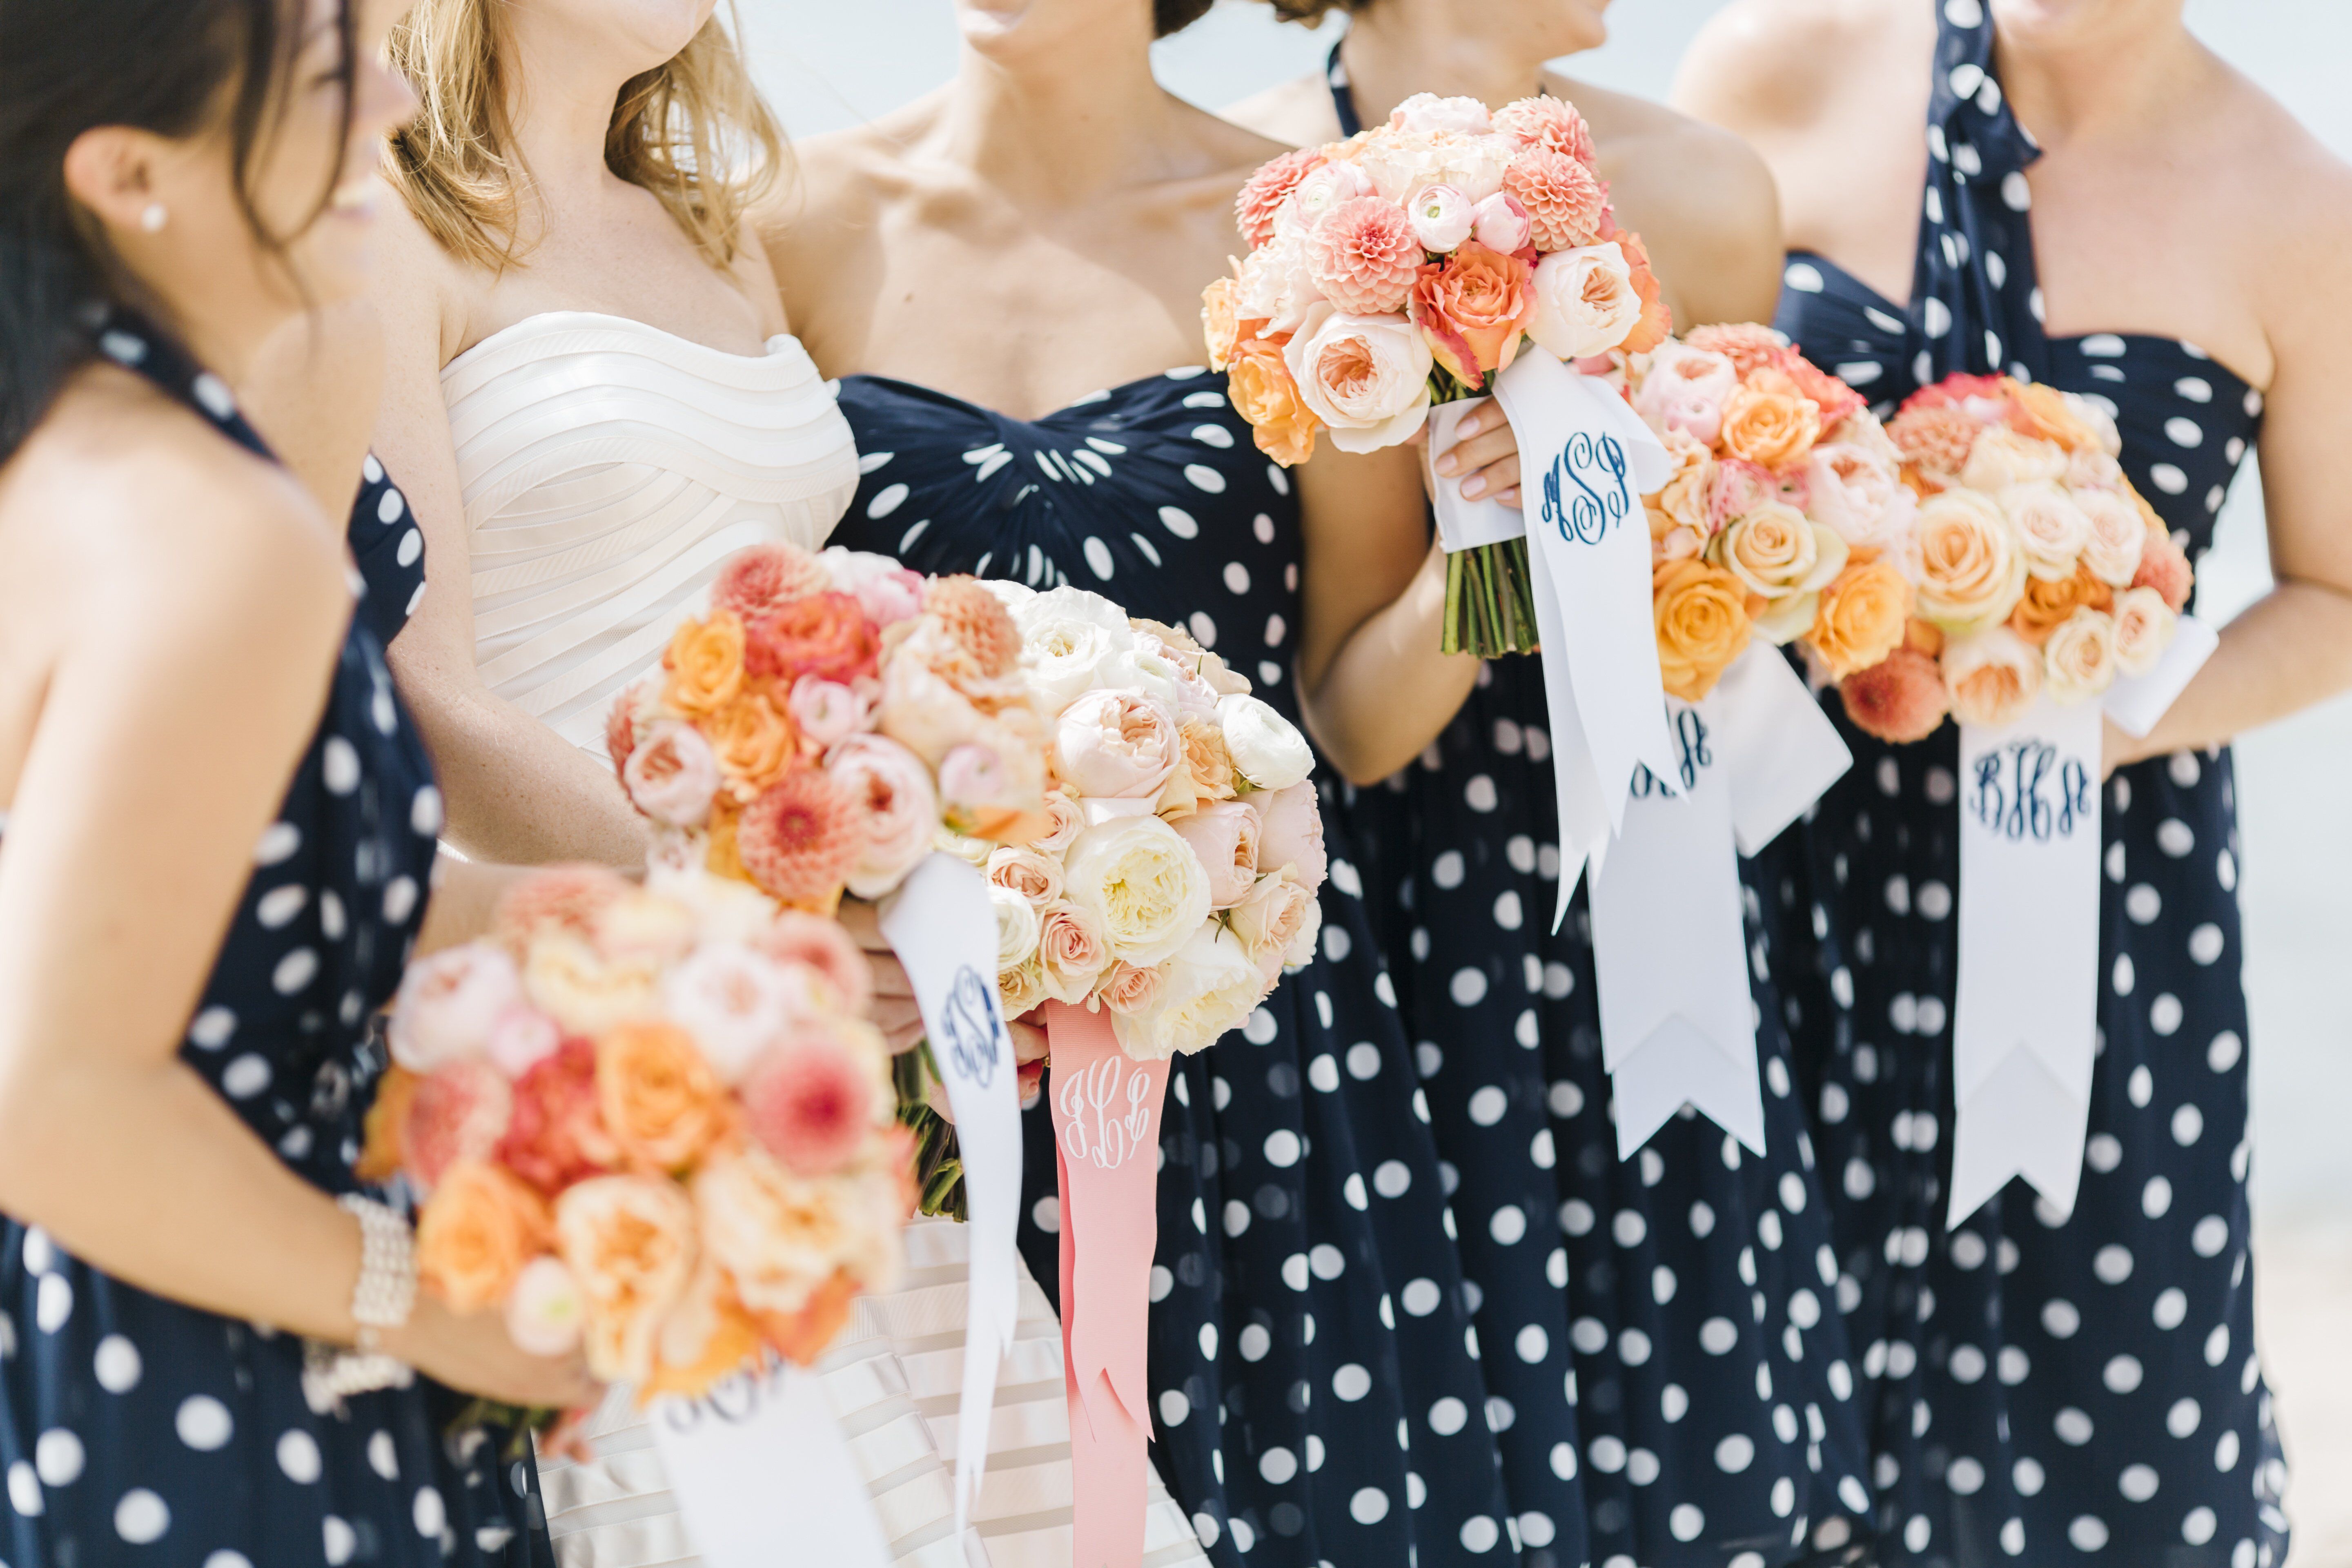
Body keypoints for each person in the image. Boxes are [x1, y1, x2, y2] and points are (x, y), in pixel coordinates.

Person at [759, 0, 1673, 1560]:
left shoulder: (1311, 245)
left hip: (1246, 1072)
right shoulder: (788, 229)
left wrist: (1489, 545)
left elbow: (1356, 721)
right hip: (911, 1063)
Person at [1676, 0, 2352, 1561]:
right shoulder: (1768, 63)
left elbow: (2332, 594)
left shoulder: (2298, 198)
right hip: (1772, 861)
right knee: (1736, 1413)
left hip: (2102, 898)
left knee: (2108, 1444)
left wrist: (2092, 717)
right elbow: (1663, 450)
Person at [1223, 4, 1882, 1564]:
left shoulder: (1709, 191)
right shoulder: (1260, 190)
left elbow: (1746, 613)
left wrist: (1731, 535)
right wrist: (1483, 547)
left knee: (1699, 1439)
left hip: (1671, 854)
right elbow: (1353, 723)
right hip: (1423, 922)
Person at [0, 1, 597, 1562]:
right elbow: (51, 1103)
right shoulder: (208, 533)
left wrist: (647, 929)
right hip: (233, 1388)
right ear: (133, 174)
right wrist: (429, 1308)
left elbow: (210, 916)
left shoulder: (64, 465)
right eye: (330, 75)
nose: (399, 98)